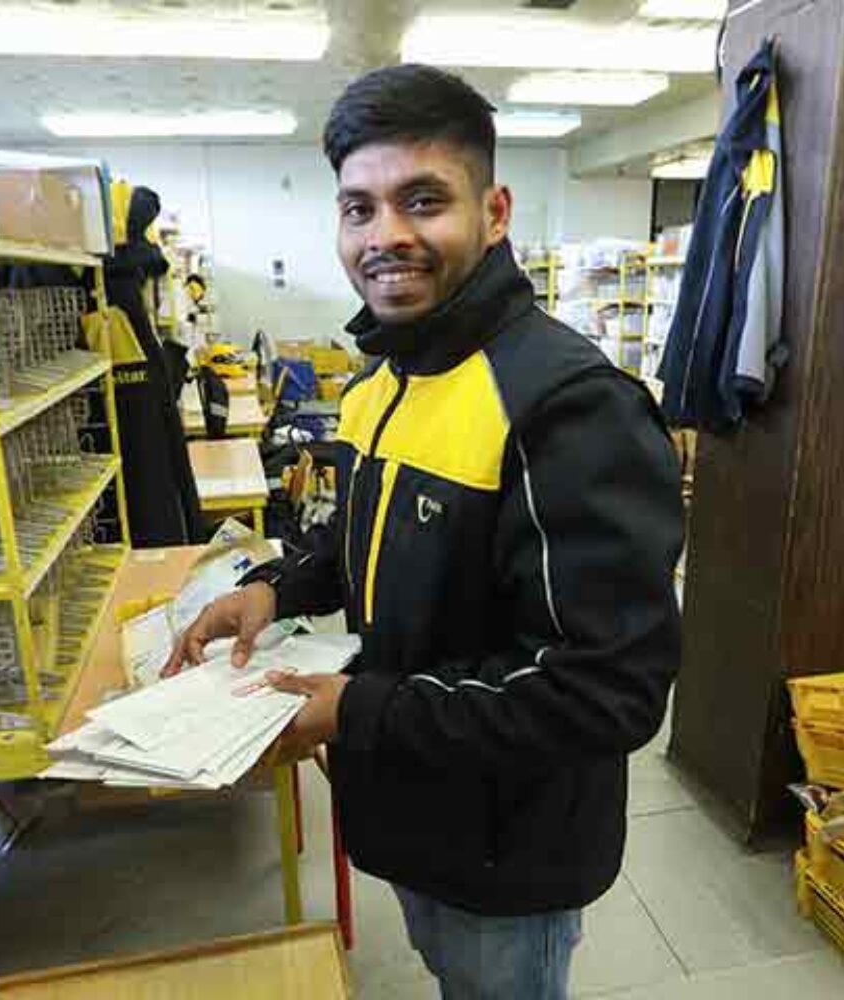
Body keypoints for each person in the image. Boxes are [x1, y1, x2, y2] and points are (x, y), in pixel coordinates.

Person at [163, 64, 684, 1000]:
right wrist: (276, 588)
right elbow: (360, 540)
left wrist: (356, 712)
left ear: (495, 211)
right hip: (408, 807)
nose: (386, 235)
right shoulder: (381, 385)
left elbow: (607, 689)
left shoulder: (568, 408)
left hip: (508, 851)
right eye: (358, 208)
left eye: (423, 201)